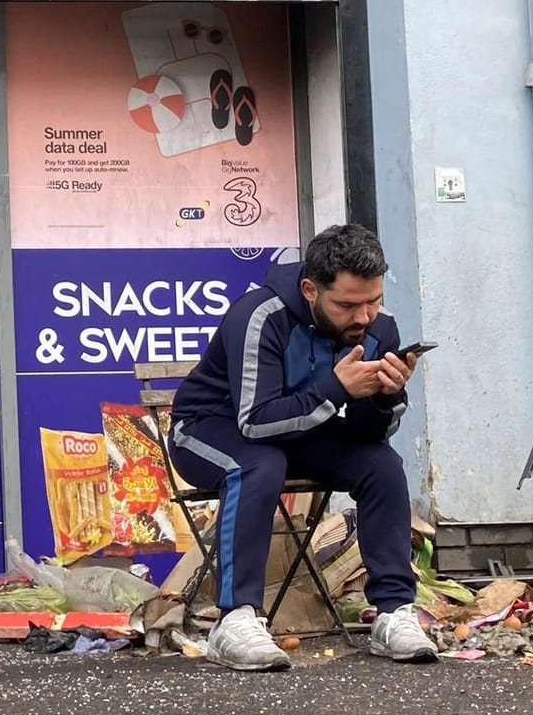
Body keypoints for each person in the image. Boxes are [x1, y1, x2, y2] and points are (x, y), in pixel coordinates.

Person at [168, 223, 435, 670]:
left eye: (373, 301)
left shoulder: (378, 328)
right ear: (310, 289)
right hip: (209, 429)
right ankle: (235, 619)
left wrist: (388, 396)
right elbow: (254, 422)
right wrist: (336, 389)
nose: (364, 317)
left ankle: (393, 612)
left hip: (300, 429)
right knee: (259, 464)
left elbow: (369, 433)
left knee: (382, 465)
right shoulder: (260, 316)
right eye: (348, 305)